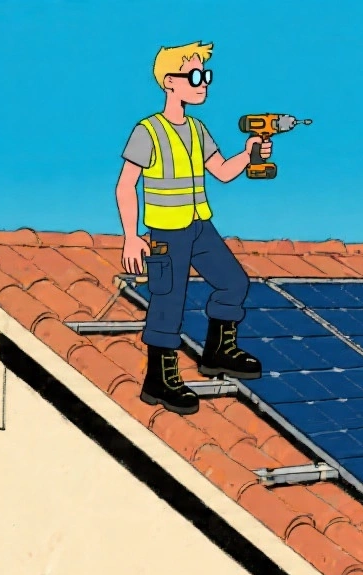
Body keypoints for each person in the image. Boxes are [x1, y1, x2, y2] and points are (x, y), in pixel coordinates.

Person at [115, 41, 268, 416]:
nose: (203, 84)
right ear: (170, 82)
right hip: (167, 233)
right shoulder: (147, 131)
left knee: (234, 282)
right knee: (169, 300)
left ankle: (219, 351)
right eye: (196, 76)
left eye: (206, 76)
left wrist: (248, 156)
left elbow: (222, 172)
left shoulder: (198, 129)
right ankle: (160, 378)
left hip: (200, 224)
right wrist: (132, 237)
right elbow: (125, 185)